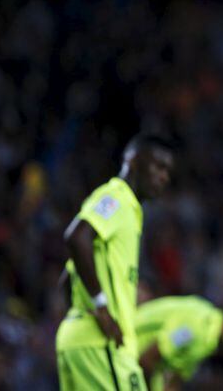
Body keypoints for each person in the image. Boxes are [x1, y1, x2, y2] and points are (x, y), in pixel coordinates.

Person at [56, 134, 174, 391]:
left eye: (168, 171)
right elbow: (76, 237)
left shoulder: (130, 210)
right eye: (158, 166)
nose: (164, 176)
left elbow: (67, 279)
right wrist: (100, 308)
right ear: (132, 161)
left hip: (78, 341)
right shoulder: (118, 197)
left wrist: (78, 320)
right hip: (102, 345)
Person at [136, 296, 223, 391]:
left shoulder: (209, 341)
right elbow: (147, 358)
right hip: (125, 348)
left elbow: (176, 378)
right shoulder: (198, 326)